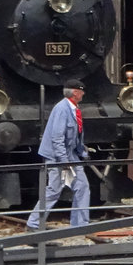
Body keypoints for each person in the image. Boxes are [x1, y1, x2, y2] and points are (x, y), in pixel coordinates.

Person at [27, 79, 91, 229]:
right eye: (82, 91)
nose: (83, 94)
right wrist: (64, 161)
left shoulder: (73, 108)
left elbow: (75, 136)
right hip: (57, 157)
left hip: (70, 155)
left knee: (82, 186)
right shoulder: (62, 109)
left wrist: (83, 152)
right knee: (54, 191)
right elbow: (57, 137)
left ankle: (80, 225)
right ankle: (33, 223)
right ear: (76, 92)